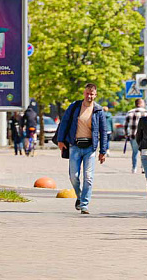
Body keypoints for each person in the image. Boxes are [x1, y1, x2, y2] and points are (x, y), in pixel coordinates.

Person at [55, 83, 109, 215]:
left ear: (95, 95)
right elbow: (64, 123)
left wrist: (103, 151)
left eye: (92, 94)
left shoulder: (98, 110)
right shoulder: (74, 107)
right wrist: (60, 140)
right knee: (73, 176)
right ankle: (79, 197)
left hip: (90, 148)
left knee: (88, 177)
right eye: (87, 93)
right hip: (74, 146)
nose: (89, 96)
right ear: (84, 93)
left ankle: (84, 204)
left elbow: (103, 131)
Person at [125, 98, 147, 173]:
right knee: (143, 152)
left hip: (133, 135)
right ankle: (143, 168)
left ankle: (134, 168)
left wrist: (126, 134)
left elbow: (125, 125)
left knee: (135, 152)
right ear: (141, 103)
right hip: (144, 136)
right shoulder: (146, 113)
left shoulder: (130, 112)